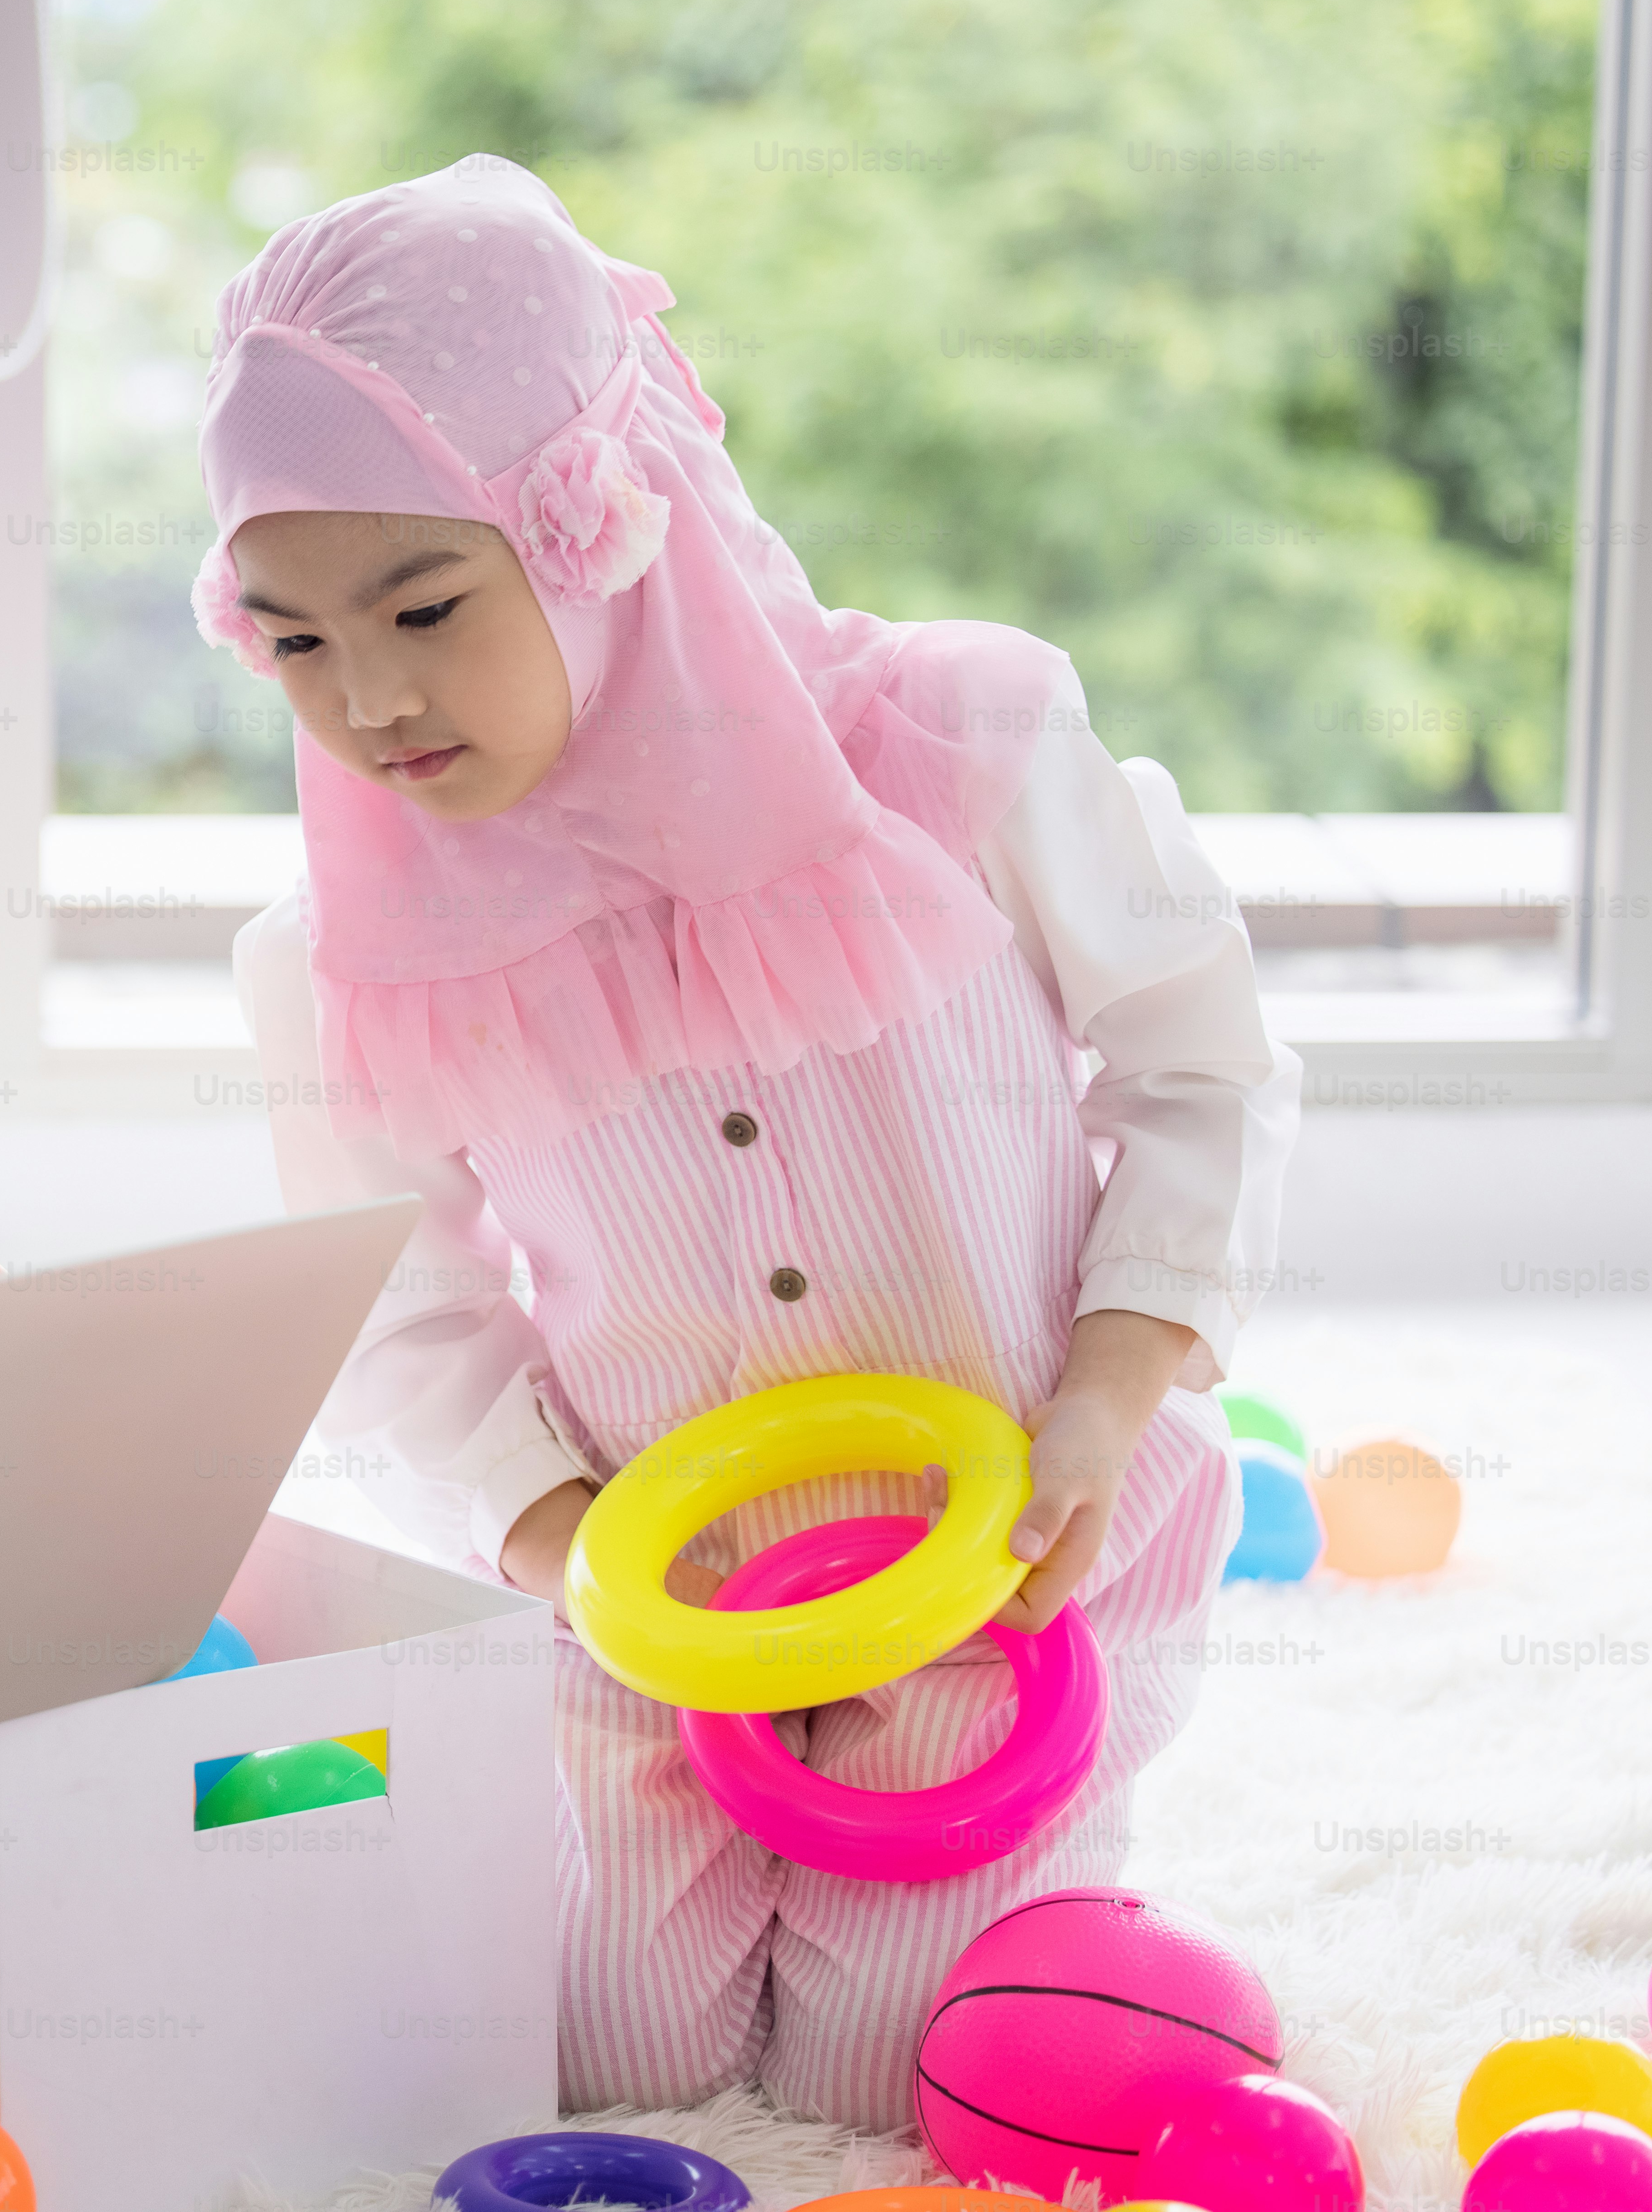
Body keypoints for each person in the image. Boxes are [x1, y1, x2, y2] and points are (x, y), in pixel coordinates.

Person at [188, 153, 1296, 2123]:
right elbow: (400, 1298)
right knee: (604, 2066)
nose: (363, 699)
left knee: (902, 2086)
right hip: (640, 1597)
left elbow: (1197, 1058)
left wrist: (1114, 1389)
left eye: (424, 606)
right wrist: (561, 1549)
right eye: (290, 640)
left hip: (1005, 1559)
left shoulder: (954, 742)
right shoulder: (337, 952)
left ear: (598, 528)